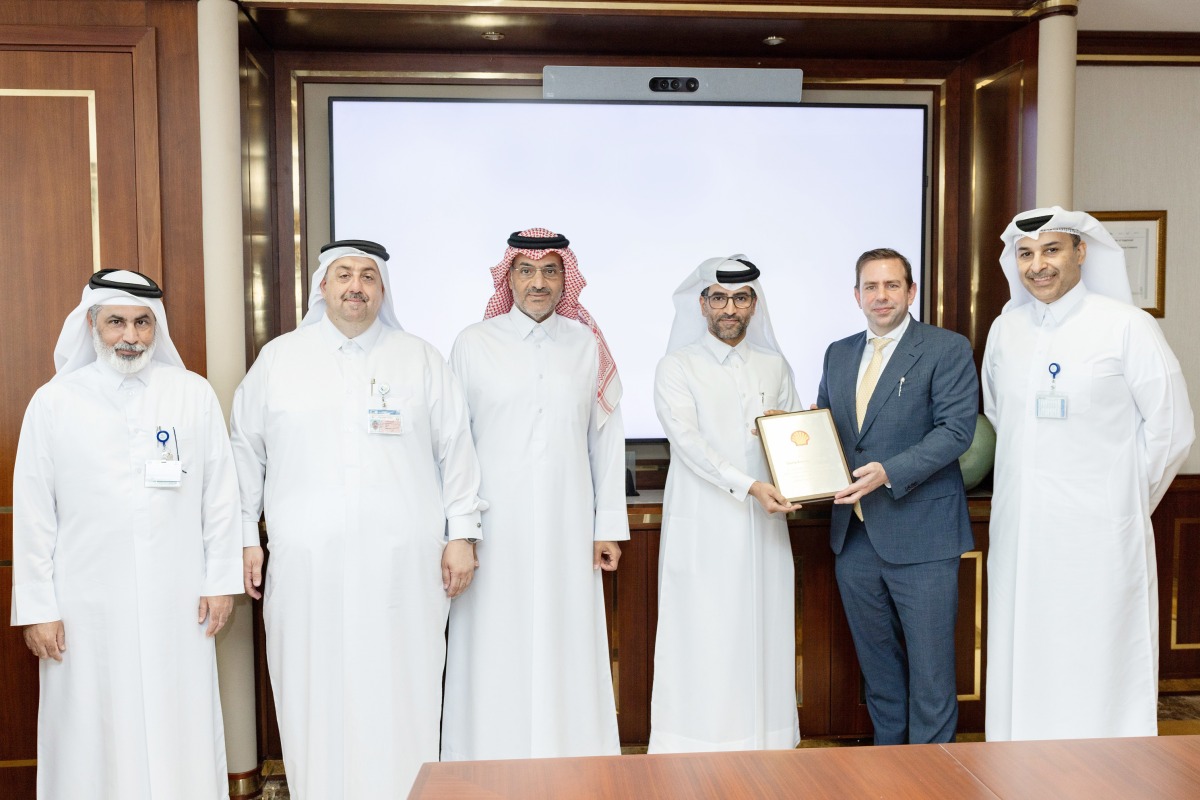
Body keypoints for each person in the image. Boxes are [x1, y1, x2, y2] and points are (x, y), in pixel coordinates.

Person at [230, 239, 487, 797]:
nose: (355, 286)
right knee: (310, 684)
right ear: (321, 286)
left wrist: (462, 534)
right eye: (343, 274)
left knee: (400, 683)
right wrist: (246, 537)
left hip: (403, 566)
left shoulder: (419, 358)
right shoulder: (279, 359)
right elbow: (244, 452)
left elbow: (457, 453)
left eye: (368, 276)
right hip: (307, 566)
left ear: (382, 289)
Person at [10, 269, 243, 799]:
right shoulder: (54, 402)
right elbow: (34, 513)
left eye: (142, 322)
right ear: (92, 324)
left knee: (176, 720)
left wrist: (220, 579)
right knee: (91, 727)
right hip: (85, 605)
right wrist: (38, 608)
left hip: (179, 600)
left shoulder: (192, 394)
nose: (130, 336)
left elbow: (221, 497)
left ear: (157, 327)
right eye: (116, 322)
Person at [983, 207, 1194, 741]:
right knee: (1026, 647)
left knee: (1096, 652)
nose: (1038, 266)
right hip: (1022, 533)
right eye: (1026, 254)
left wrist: (1118, 501)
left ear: (1081, 252)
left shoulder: (1127, 325)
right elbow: (996, 418)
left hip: (1100, 536)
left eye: (1051, 250)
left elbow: (1172, 431)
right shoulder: (1005, 329)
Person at [441, 228, 628, 760]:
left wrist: (607, 528)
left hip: (569, 527)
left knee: (565, 637)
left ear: (565, 277)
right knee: (494, 641)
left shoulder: (587, 344)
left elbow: (605, 439)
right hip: (492, 529)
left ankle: (568, 758)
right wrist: (461, 533)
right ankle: (487, 757)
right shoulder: (474, 344)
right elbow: (455, 445)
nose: (538, 283)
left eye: (550, 271)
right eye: (526, 271)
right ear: (509, 277)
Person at [816, 248, 977, 745]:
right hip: (855, 536)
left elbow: (956, 431)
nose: (880, 296)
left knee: (930, 673)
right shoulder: (838, 352)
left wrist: (890, 472)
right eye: (870, 287)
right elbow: (828, 425)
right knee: (878, 668)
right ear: (857, 295)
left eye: (891, 286)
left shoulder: (945, 348)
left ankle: (933, 776)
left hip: (922, 533)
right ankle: (891, 768)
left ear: (911, 292)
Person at [649, 255, 801, 753]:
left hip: (765, 523)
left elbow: (796, 434)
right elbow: (690, 447)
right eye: (718, 298)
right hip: (705, 521)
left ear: (754, 304)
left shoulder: (773, 364)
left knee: (762, 629)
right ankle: (697, 745)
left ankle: (764, 743)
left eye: (739, 298)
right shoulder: (677, 366)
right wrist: (752, 486)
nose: (729, 308)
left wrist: (797, 474)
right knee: (706, 631)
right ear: (702, 304)